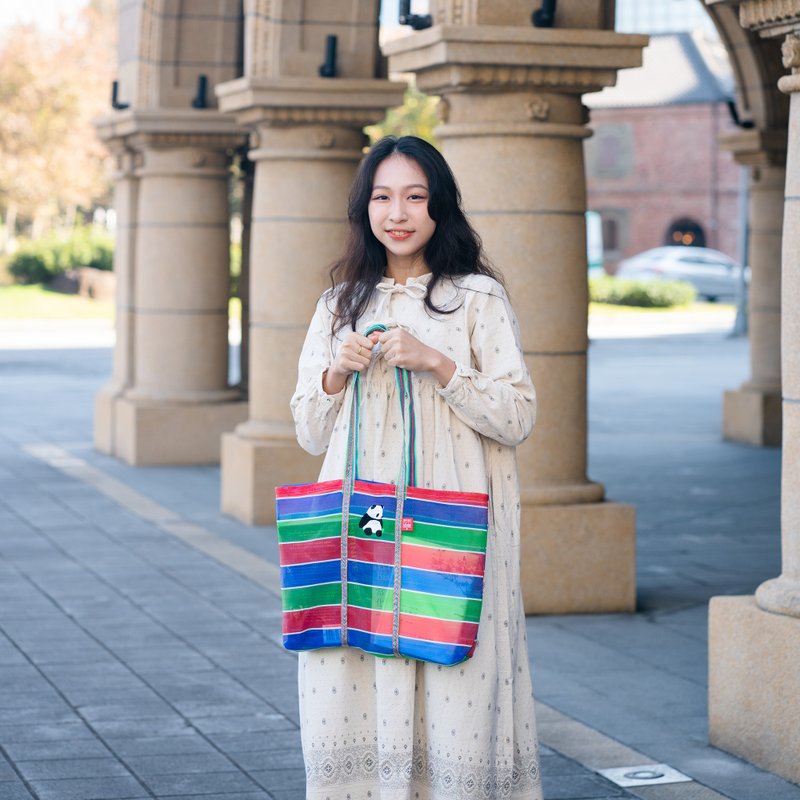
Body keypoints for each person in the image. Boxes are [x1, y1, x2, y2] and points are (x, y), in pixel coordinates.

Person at [290, 135, 543, 800]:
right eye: (381, 196)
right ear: (364, 208)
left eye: (414, 196)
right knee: (359, 657)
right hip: (362, 524)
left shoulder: (477, 299)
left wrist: (438, 363)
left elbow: (517, 416)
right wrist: (333, 374)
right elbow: (308, 430)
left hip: (450, 520)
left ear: (439, 208)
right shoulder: (337, 304)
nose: (396, 212)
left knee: (453, 662)